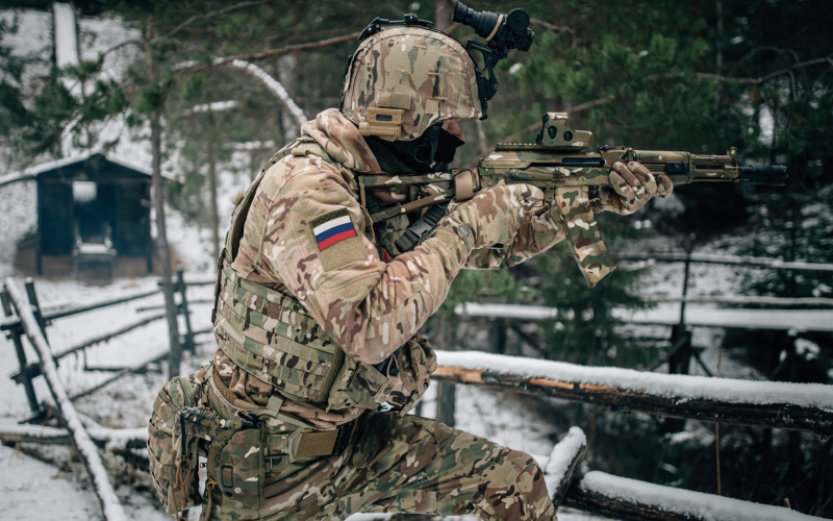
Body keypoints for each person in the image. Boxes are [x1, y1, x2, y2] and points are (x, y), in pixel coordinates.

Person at [148, 13, 672, 521]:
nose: (458, 137)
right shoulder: (310, 191)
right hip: (268, 470)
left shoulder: (379, 177)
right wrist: (464, 226)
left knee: (512, 483)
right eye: (446, 121)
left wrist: (593, 199)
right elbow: (370, 324)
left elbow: (496, 244)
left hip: (352, 443)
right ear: (401, 117)